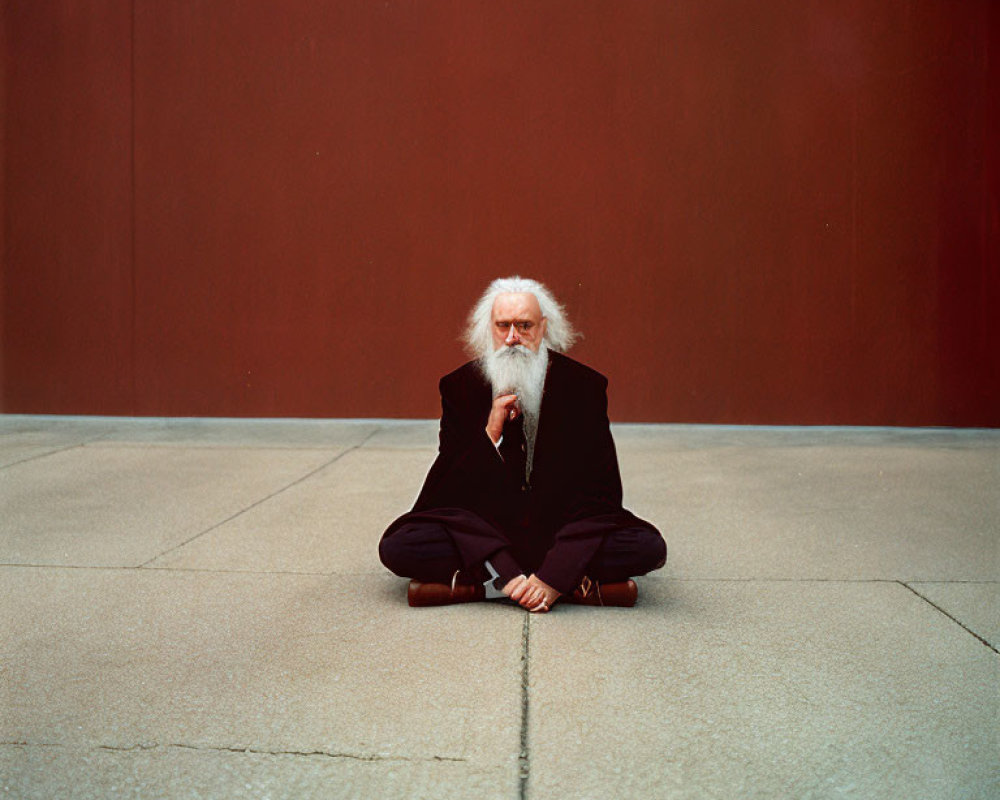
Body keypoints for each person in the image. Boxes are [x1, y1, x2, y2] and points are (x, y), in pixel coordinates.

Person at [379, 276, 666, 612]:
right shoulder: (459, 387)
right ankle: (562, 584)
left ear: (544, 328)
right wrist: (489, 435)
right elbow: (446, 494)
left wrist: (553, 573)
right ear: (490, 328)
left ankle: (486, 587)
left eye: (524, 326)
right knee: (398, 546)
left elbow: (601, 493)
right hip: (489, 534)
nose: (513, 338)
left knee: (648, 546)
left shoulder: (584, 387)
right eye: (503, 326)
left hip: (559, 532)